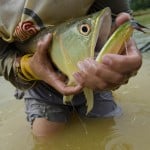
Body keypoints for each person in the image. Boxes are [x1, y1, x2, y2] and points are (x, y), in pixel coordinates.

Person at [0, 0, 142, 138]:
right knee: (46, 138)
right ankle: (25, 92)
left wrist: (120, 51)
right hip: (38, 81)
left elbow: (120, 18)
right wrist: (29, 67)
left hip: (87, 64)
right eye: (84, 29)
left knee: (109, 126)